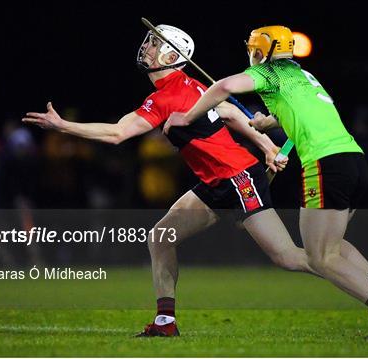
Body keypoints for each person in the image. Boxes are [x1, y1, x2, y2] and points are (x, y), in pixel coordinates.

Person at [23, 24, 324, 337]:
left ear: (170, 54)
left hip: (238, 178)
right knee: (161, 237)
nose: (147, 48)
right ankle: (165, 323)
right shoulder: (189, 84)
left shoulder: (169, 95)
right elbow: (231, 114)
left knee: (287, 257)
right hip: (216, 182)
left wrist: (61, 126)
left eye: (155, 44)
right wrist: (267, 146)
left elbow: (118, 133)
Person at [164, 25, 368, 340]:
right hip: (353, 160)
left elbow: (224, 86)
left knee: (318, 256)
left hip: (325, 164)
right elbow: (309, 113)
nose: (250, 54)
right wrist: (270, 121)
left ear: (262, 50)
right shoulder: (303, 76)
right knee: (333, 244)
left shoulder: (269, 73)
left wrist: (186, 117)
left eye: (253, 48)